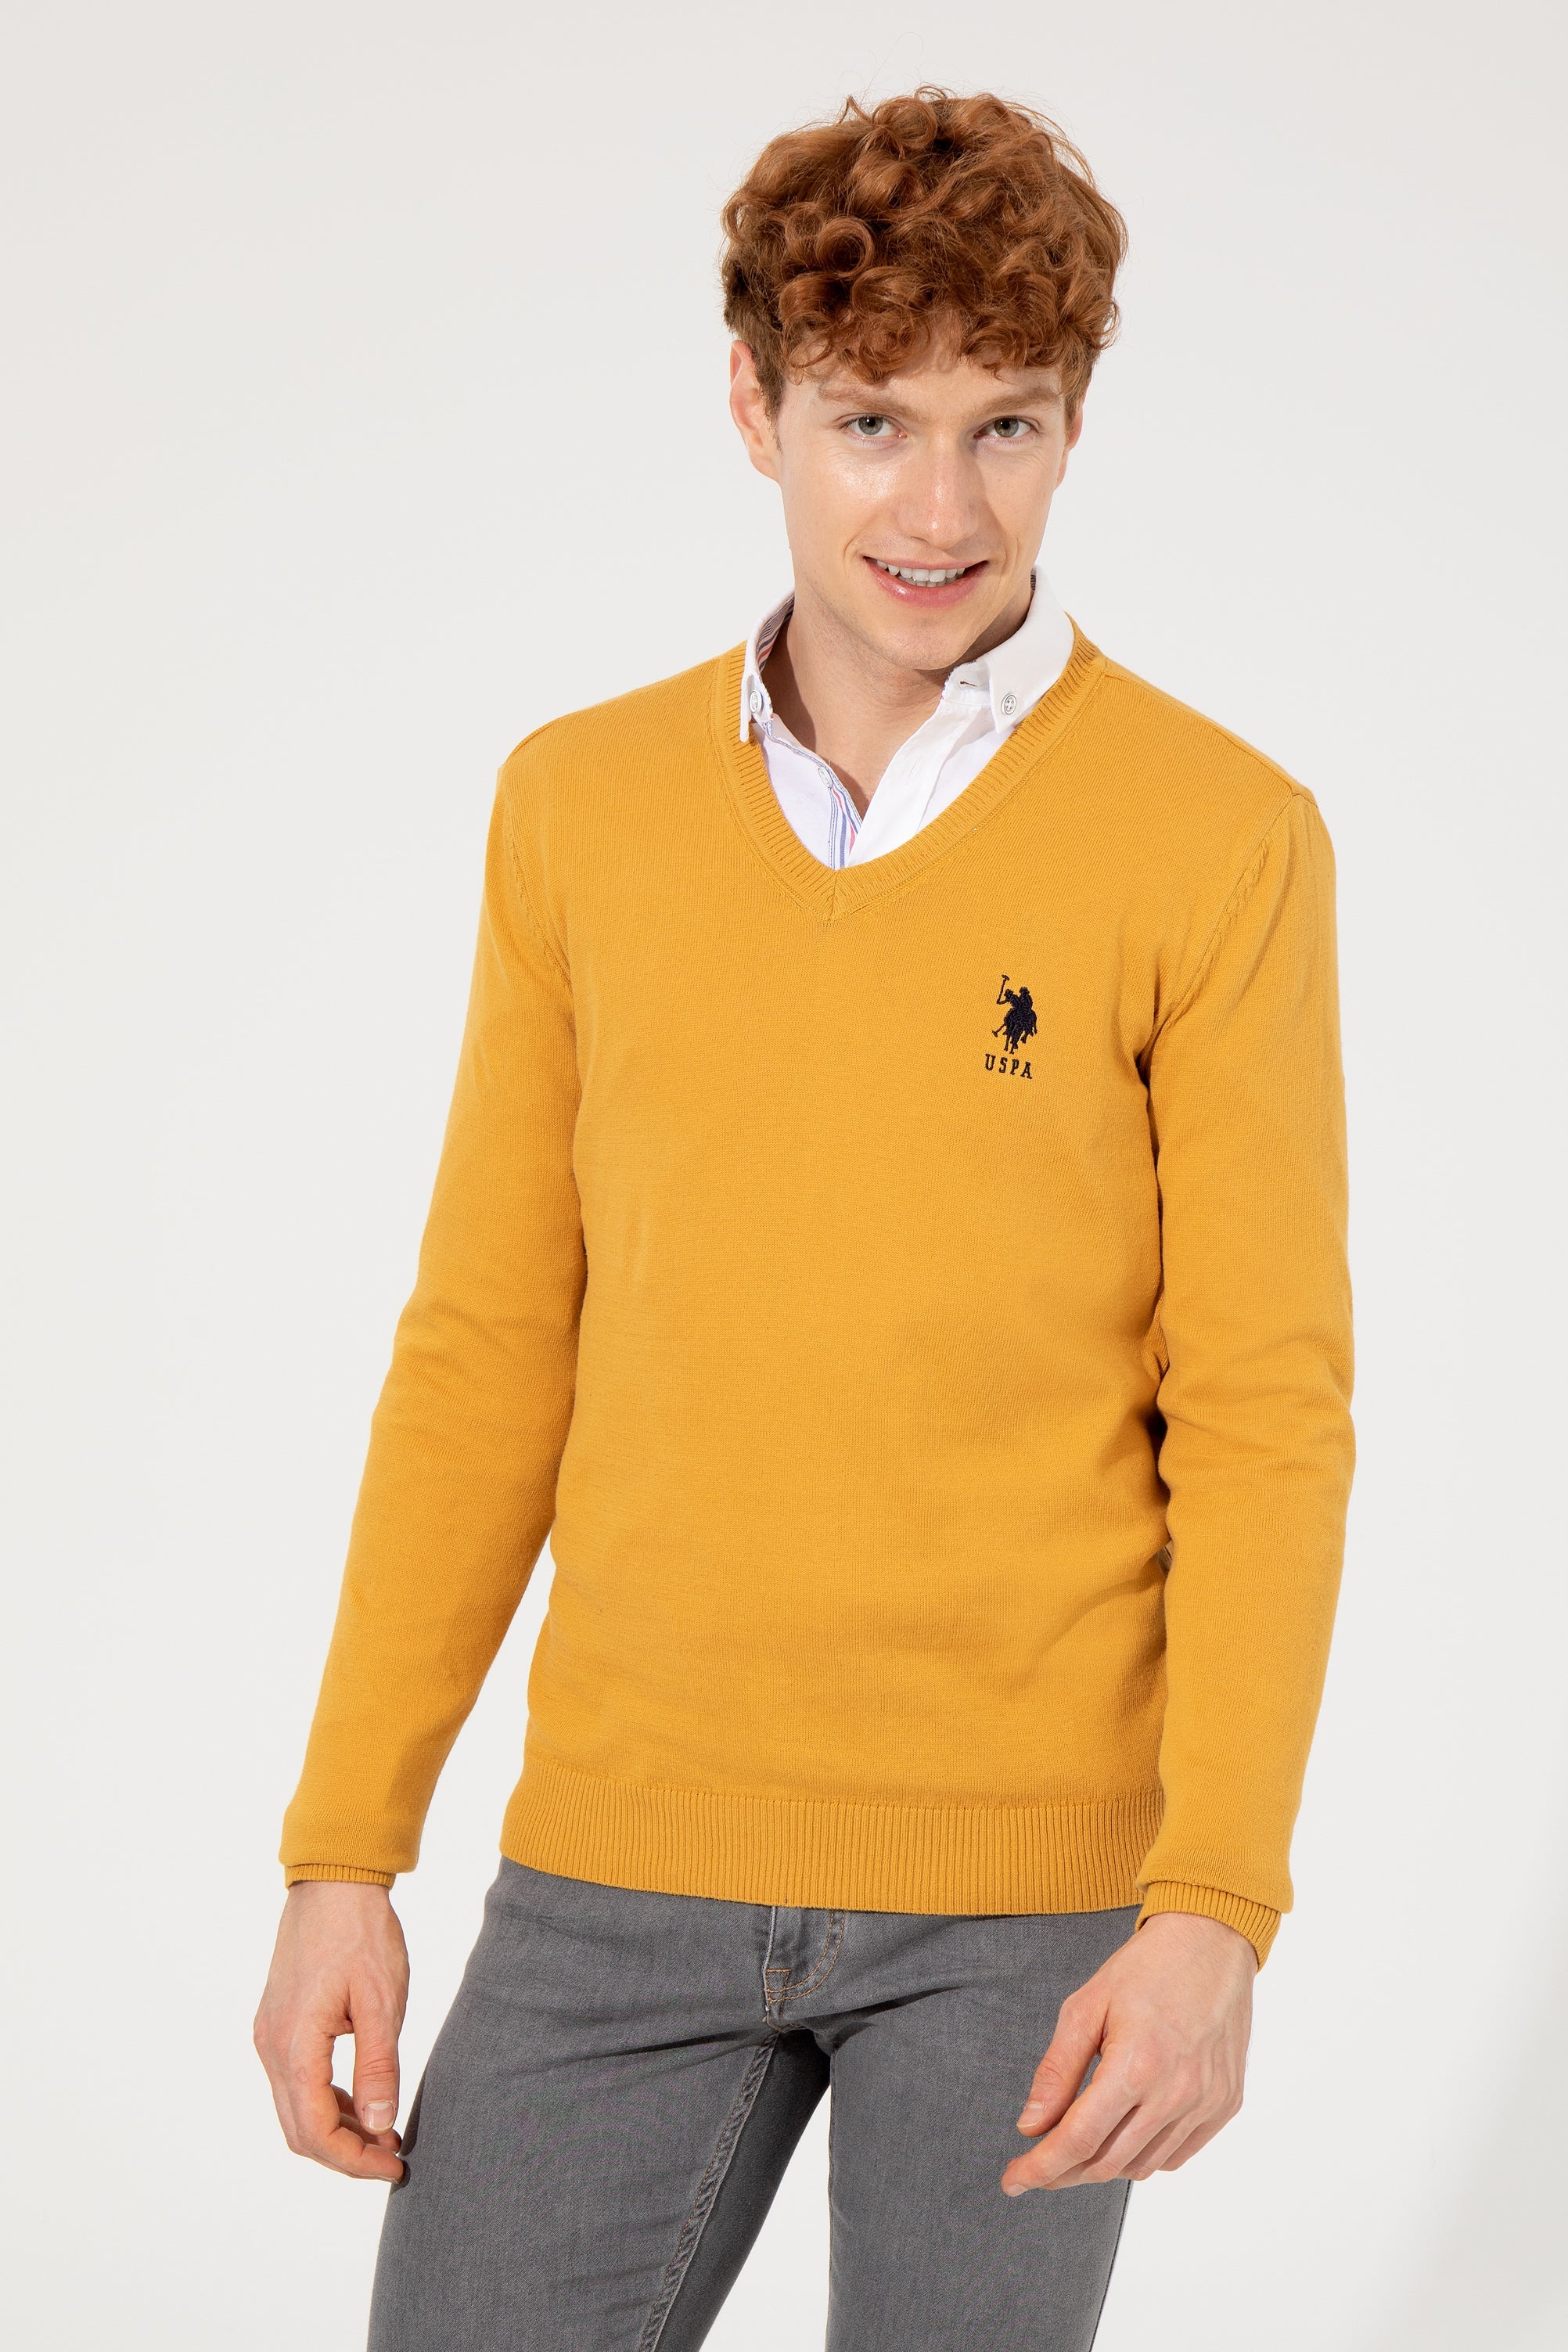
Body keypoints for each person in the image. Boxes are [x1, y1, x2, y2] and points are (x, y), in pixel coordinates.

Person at [255, 88, 1354, 2352]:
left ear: (1074, 427)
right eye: (871, 423)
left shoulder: (1218, 836)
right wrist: (343, 1849)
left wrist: (1214, 1909)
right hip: (618, 1862)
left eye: (1003, 425)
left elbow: (1261, 1406)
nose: (939, 509)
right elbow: (487, 1345)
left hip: (1027, 1907)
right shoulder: (578, 808)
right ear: (754, 407)